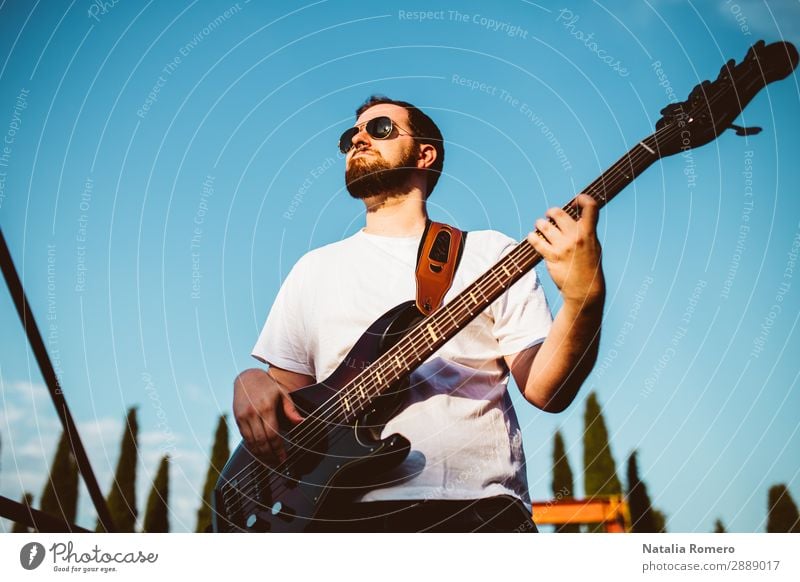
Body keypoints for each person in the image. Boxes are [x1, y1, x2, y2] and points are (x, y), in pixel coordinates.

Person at [233, 95, 605, 532]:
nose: (359, 139)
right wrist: (251, 381)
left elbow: (546, 389)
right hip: (338, 519)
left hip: (473, 515)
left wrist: (584, 298)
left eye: (380, 129)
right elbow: (288, 401)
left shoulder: (491, 253)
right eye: (350, 136)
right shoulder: (313, 269)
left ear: (425, 153)